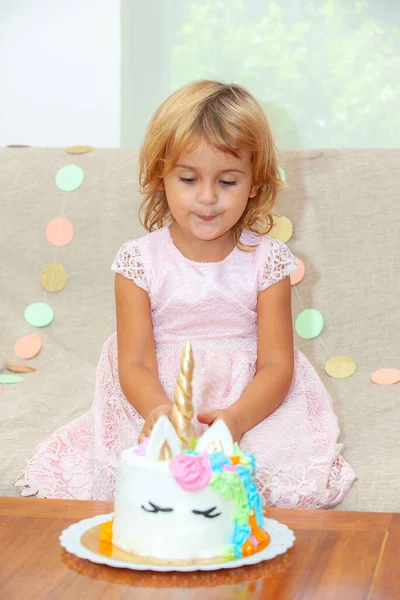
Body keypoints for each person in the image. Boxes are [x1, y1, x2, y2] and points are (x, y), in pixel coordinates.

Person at [15, 80, 356, 506]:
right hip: (156, 393)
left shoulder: (268, 262)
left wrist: (236, 420)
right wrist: (159, 412)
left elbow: (275, 365)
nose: (208, 198)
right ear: (162, 176)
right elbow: (135, 361)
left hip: (248, 398)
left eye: (228, 181)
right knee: (140, 471)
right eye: (189, 179)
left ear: (254, 183)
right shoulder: (138, 262)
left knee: (261, 469)